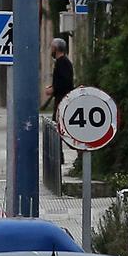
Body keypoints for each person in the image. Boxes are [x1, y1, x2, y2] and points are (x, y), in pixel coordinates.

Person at [44, 37, 75, 189]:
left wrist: (53, 89)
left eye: (52, 47)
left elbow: (66, 82)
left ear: (57, 49)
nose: (50, 50)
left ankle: (60, 156)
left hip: (62, 101)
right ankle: (59, 155)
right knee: (57, 128)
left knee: (59, 128)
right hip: (60, 100)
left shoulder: (63, 63)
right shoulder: (62, 63)